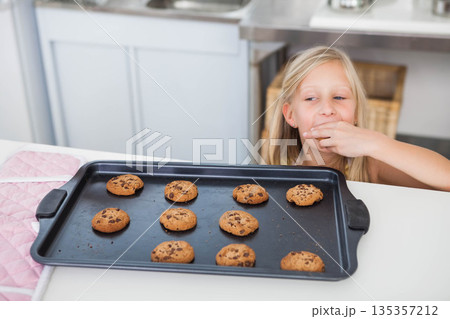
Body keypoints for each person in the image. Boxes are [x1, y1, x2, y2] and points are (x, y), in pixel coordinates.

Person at [267, 46, 450, 191]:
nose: (327, 109)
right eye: (311, 98)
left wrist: (376, 143)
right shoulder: (279, 168)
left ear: (355, 113)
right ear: (291, 115)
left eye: (339, 97)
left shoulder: (370, 165)